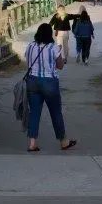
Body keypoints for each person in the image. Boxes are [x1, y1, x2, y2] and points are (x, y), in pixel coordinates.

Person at [24, 23, 77, 152]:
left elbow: (27, 60)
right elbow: (60, 66)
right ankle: (63, 141)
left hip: (32, 81)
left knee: (34, 113)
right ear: (49, 34)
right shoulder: (53, 48)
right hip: (49, 83)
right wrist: (59, 52)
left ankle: (32, 143)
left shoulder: (30, 46)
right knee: (55, 112)